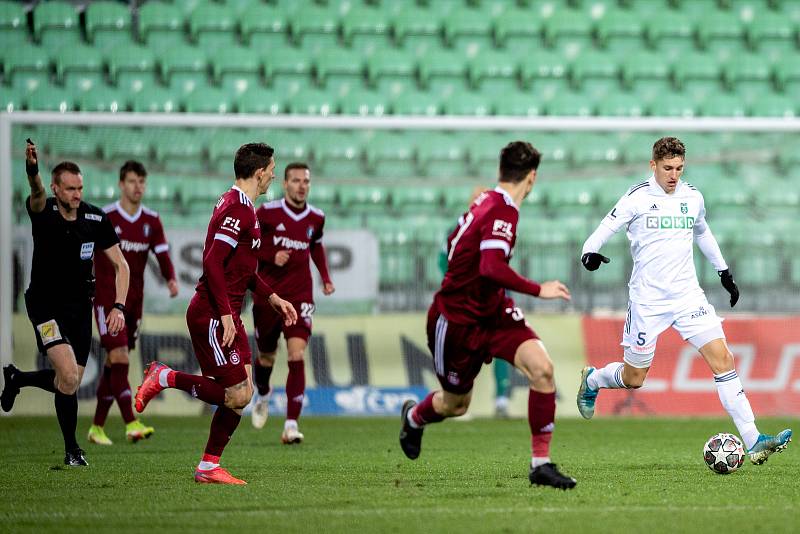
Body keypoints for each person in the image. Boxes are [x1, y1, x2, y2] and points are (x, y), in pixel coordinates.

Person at [578, 136, 792, 465]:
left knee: (723, 358)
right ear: (653, 166)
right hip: (648, 301)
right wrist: (588, 253)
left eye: (679, 168)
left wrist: (724, 272)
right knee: (635, 379)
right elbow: (607, 227)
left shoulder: (692, 197)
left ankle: (753, 438)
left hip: (687, 296)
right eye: (667, 168)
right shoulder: (636, 198)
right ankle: (594, 379)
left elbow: (702, 232)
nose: (673, 175)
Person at [399, 141, 577, 490]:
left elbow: (454, 243)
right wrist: (537, 289)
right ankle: (414, 417)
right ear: (533, 178)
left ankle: (540, 464)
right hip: (457, 320)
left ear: (500, 171)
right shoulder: (502, 210)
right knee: (456, 405)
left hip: (493, 311)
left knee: (542, 369)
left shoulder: (485, 202)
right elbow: (490, 265)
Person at [134, 143, 297, 485]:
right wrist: (224, 315)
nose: (273, 176)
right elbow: (212, 262)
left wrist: (272, 297)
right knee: (237, 393)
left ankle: (209, 466)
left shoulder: (243, 207)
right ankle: (165, 377)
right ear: (259, 172)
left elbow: (243, 269)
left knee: (245, 391)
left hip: (228, 313)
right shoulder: (238, 209)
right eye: (272, 169)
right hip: (211, 313)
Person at [1, 139, 130, 466]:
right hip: (44, 306)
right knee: (70, 377)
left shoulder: (95, 219)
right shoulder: (43, 211)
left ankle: (18, 378)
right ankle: (73, 450)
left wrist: (119, 306)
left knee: (67, 381)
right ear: (56, 189)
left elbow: (121, 265)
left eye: (80, 188)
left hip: (79, 309)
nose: (77, 194)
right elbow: (35, 189)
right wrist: (33, 172)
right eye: (70, 188)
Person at [87, 161, 178, 446]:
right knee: (121, 358)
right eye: (131, 181)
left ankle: (97, 427)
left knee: (114, 364)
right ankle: (131, 423)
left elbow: (162, 254)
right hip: (106, 300)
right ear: (120, 184)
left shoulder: (151, 220)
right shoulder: (106, 217)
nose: (137, 187)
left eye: (141, 181)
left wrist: (171, 278)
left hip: (134, 303)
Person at [250, 162, 334, 444]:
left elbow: (316, 246)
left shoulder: (317, 218)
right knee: (266, 357)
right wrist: (272, 255)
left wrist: (325, 277)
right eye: (296, 180)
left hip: (300, 296)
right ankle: (262, 393)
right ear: (285, 184)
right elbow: (249, 245)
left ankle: (290, 425)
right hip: (268, 297)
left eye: (306, 181)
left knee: (296, 354)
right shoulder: (267, 213)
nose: (301, 185)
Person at [438, 186, 512, 418]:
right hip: (465, 302)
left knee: (502, 348)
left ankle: (501, 400)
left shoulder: (498, 228)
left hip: (493, 299)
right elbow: (445, 263)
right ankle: (455, 399)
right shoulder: (457, 229)